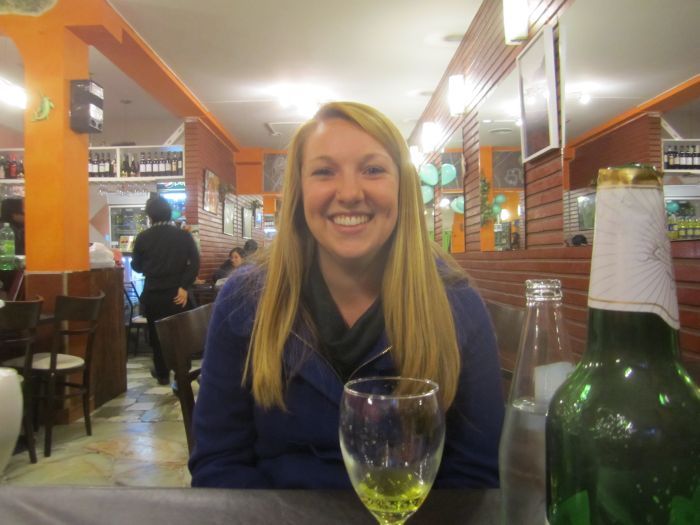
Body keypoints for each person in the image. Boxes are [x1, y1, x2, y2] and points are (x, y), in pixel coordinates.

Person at [189, 101, 504, 489]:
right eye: (324, 171)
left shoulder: (456, 302)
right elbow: (219, 463)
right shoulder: (246, 297)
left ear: (402, 187)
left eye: (373, 170)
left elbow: (476, 474)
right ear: (299, 191)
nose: (350, 193)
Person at [131, 196, 200, 385]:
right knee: (180, 335)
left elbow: (136, 266)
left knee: (156, 335)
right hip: (177, 294)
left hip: (153, 293)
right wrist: (184, 286)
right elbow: (195, 263)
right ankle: (182, 372)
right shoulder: (183, 236)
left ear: (150, 215)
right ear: (169, 212)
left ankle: (162, 373)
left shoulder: (143, 237)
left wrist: (150, 266)